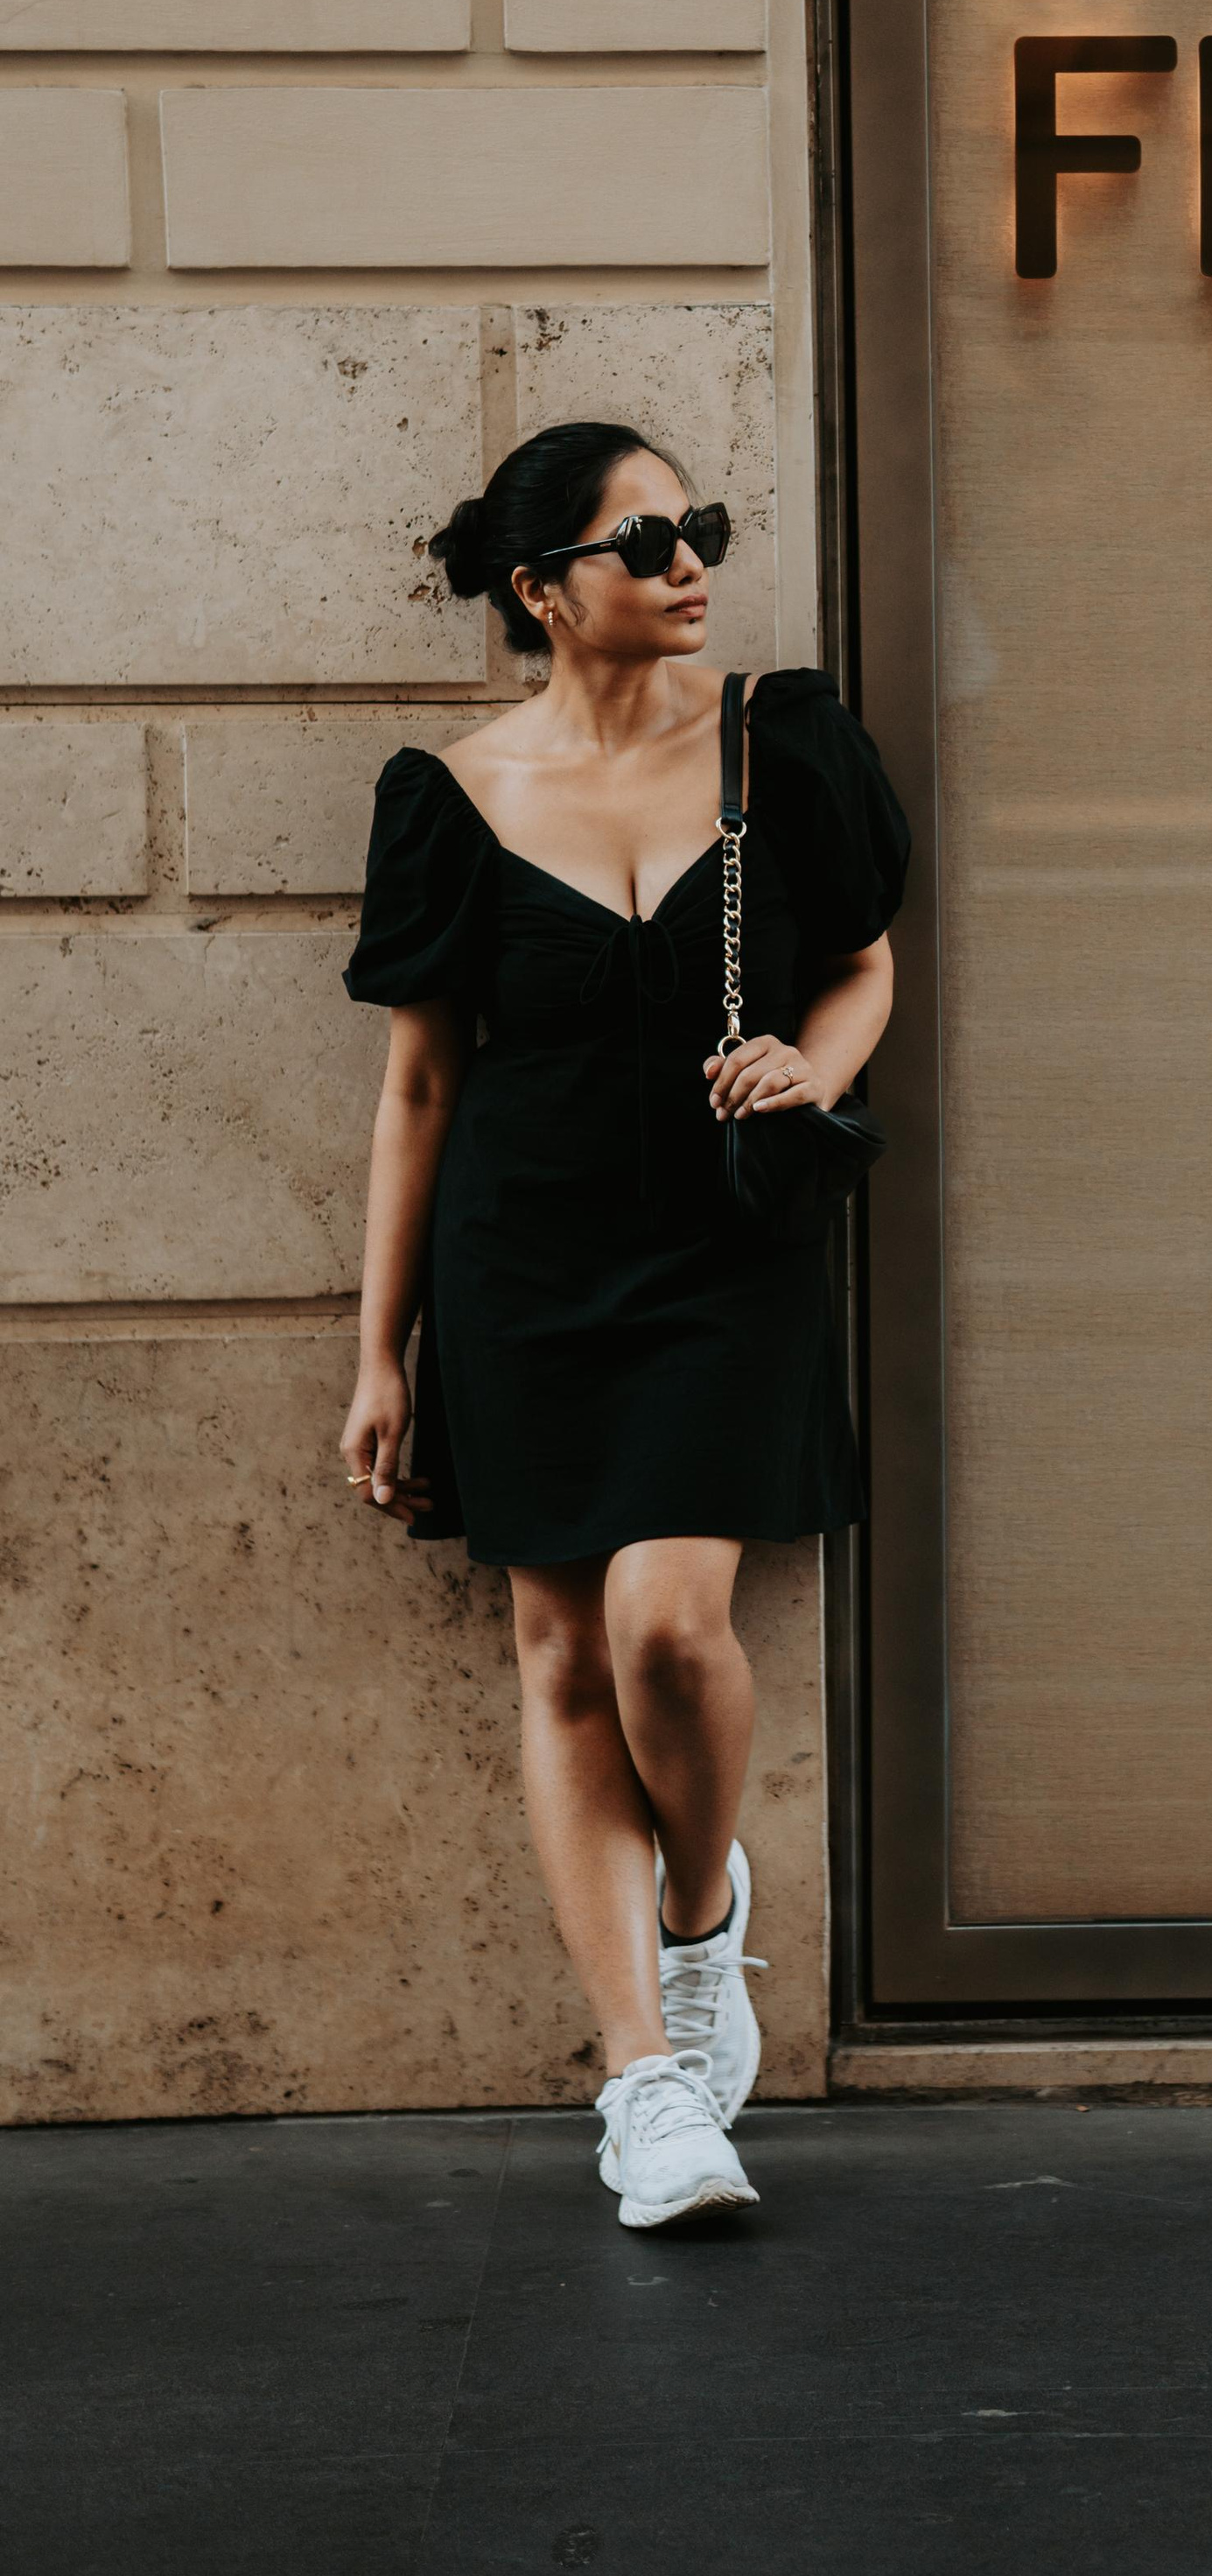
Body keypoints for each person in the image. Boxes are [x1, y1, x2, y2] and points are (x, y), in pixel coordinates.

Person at [338, 421, 907, 2231]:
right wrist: (378, 1351)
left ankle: (694, 1923)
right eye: (642, 537)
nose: (687, 561)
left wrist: (802, 1073)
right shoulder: (450, 790)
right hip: (520, 1263)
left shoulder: (780, 742)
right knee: (563, 1659)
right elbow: (421, 1090)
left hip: (720, 1251)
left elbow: (864, 959)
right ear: (538, 588)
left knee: (670, 1631)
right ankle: (643, 2090)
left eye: (699, 526)